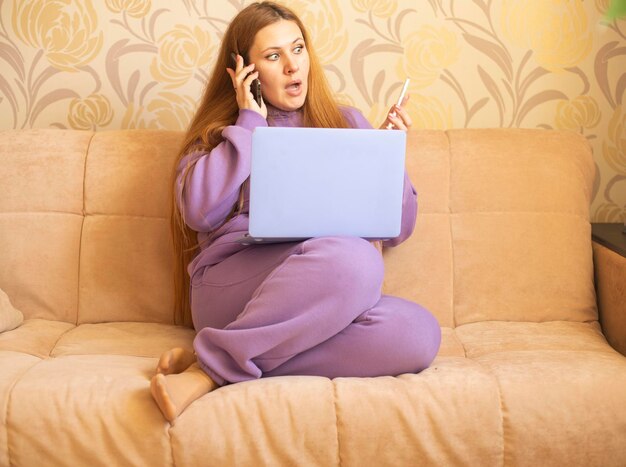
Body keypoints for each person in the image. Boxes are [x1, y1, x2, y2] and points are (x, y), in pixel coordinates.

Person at [150, 1, 441, 423]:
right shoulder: (221, 135)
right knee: (355, 259)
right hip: (234, 286)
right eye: (273, 56)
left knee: (418, 333)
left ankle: (212, 356)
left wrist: (386, 159)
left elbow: (397, 230)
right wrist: (249, 120)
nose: (292, 66)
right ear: (242, 72)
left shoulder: (346, 123)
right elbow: (199, 211)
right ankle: (211, 371)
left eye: (298, 49)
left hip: (319, 292)